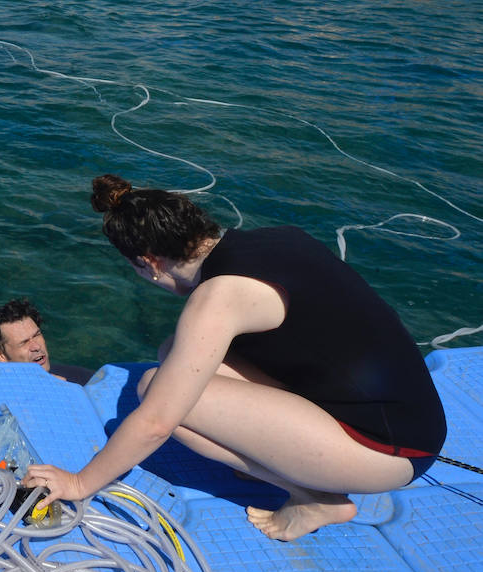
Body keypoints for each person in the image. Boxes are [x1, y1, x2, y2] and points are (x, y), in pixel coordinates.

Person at [24, 174, 446, 542]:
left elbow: (156, 423)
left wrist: (79, 482)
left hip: (390, 452)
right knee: (173, 354)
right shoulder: (275, 240)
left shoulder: (218, 297)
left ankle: (317, 499)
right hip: (410, 419)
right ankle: (293, 463)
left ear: (150, 264)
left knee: (158, 392)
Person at [0, 298, 94, 384]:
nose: (36, 347)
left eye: (36, 335)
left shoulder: (82, 379)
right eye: (24, 342)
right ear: (1, 355)